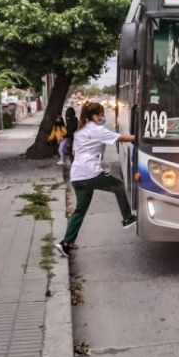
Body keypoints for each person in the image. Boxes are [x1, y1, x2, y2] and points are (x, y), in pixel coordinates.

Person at [54, 101, 136, 258]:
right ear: (94, 116)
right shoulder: (97, 130)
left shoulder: (81, 130)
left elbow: (73, 151)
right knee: (118, 185)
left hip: (77, 176)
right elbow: (124, 138)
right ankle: (127, 218)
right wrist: (142, 137)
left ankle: (65, 244)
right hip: (92, 173)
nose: (103, 117)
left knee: (80, 210)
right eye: (101, 114)